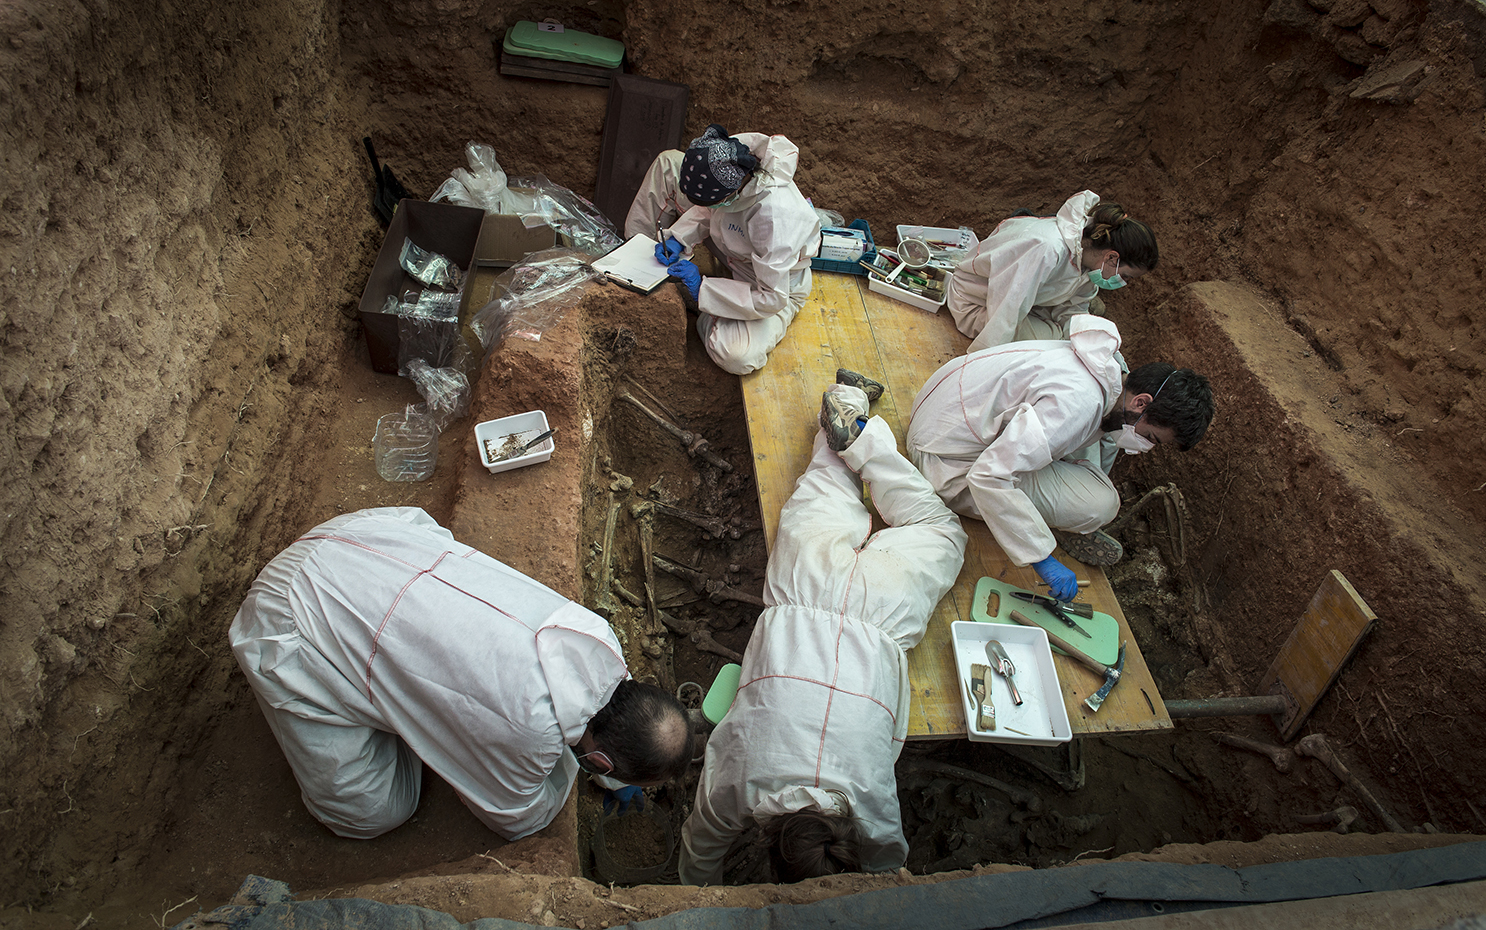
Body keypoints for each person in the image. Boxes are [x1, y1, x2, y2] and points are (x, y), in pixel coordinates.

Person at [228, 506, 692, 840]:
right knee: (374, 812)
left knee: (426, 701)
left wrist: (598, 765)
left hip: (363, 538)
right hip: (289, 618)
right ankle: (386, 712)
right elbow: (517, 816)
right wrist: (580, 770)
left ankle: (396, 708)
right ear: (601, 763)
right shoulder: (530, 728)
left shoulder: (599, 638)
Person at [678, 370, 968, 885]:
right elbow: (700, 849)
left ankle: (861, 434)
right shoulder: (738, 787)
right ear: (767, 841)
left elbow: (887, 865)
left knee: (940, 530)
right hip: (803, 584)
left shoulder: (872, 807)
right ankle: (849, 417)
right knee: (827, 479)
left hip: (883, 606)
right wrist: (699, 893)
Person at [906, 316, 1213, 597]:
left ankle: (1057, 517)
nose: (1144, 446)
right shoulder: (1076, 405)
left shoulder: (1108, 370)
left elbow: (1095, 434)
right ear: (1142, 402)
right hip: (942, 461)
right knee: (1101, 504)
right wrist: (1041, 556)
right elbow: (989, 475)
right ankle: (1058, 525)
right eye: (1149, 437)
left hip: (943, 414)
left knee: (1097, 449)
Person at [626, 125, 821, 376]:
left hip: (770, 283)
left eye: (714, 201)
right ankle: (631, 257)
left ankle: (702, 305)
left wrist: (704, 290)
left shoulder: (776, 219)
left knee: (737, 356)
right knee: (667, 163)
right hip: (730, 241)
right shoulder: (731, 156)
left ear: (733, 193)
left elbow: (772, 297)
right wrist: (678, 237)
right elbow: (710, 208)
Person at [947, 191, 1159, 353]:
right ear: (1111, 257)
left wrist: (1091, 338)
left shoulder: (1086, 259)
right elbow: (1005, 313)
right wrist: (980, 364)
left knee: (1075, 336)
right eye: (1126, 276)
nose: (1123, 282)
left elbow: (1073, 308)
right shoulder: (1047, 249)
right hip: (974, 303)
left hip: (1019, 305)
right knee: (1056, 347)